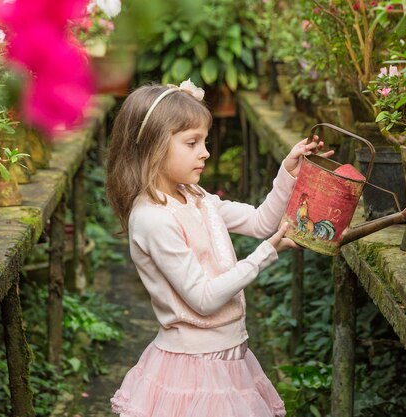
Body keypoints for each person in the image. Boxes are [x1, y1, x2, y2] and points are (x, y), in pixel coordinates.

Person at [105, 80, 332, 417]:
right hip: (193, 368)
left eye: (204, 141)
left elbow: (259, 222)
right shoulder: (153, 218)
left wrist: (288, 174)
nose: (205, 152)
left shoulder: (197, 198)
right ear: (152, 146)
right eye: (192, 142)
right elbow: (204, 298)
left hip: (229, 356)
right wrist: (266, 254)